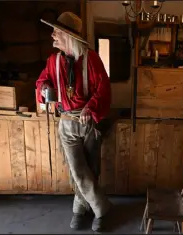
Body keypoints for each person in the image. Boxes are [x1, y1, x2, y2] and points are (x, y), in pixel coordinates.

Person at [36, 12, 112, 232]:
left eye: (57, 31)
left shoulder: (91, 59)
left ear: (68, 36)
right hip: (67, 123)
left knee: (91, 168)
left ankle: (80, 209)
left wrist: (91, 107)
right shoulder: (54, 61)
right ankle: (101, 208)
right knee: (77, 171)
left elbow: (104, 88)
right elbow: (42, 81)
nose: (52, 35)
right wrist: (44, 89)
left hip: (89, 123)